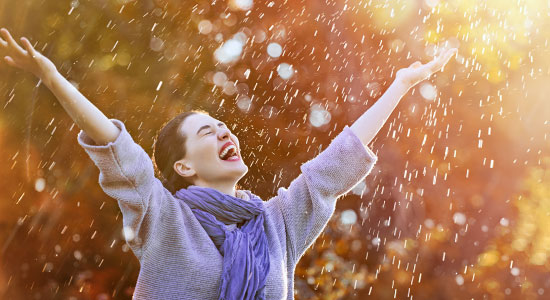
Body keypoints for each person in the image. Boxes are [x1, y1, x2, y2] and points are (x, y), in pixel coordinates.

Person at [0, 27, 457, 299]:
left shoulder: (276, 225)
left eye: (224, 127)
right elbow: (118, 149)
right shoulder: (164, 221)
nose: (224, 132)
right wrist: (53, 78)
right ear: (182, 167)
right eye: (206, 131)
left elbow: (333, 169)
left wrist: (400, 85)